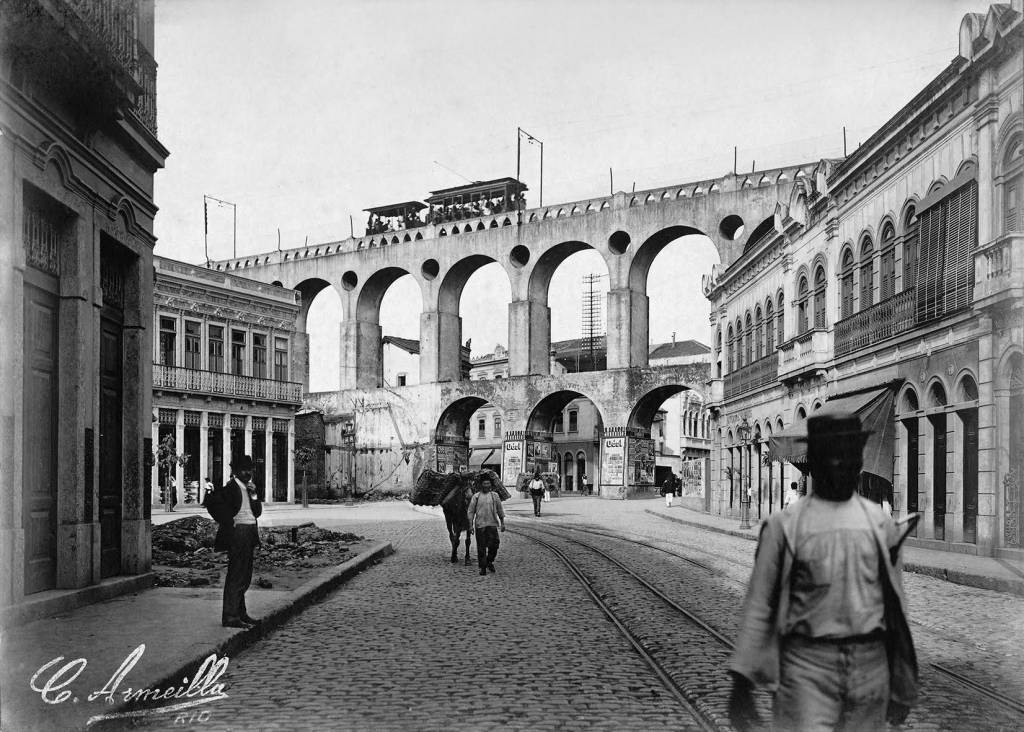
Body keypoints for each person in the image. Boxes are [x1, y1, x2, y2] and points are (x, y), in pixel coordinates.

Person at [727, 412, 918, 732]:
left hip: (869, 669)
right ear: (813, 461)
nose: (841, 465)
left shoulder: (880, 525)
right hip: (805, 669)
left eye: (849, 456)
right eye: (832, 456)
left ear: (859, 461)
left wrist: (901, 683)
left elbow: (895, 606)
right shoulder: (784, 527)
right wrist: (742, 681)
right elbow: (760, 604)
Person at [205, 455, 263, 629]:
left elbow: (257, 512)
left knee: (245, 576)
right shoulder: (230, 488)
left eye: (250, 470)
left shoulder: (249, 488)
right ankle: (230, 616)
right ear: (236, 471)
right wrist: (229, 522)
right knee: (236, 575)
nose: (248, 473)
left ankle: (240, 613)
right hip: (238, 534)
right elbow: (214, 505)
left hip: (249, 534)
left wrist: (254, 495)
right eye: (244, 470)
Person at [467, 477, 505, 576]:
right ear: (481, 485)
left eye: (488, 483)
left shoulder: (495, 496)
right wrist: (470, 525)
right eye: (484, 483)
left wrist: (502, 523)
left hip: (492, 525)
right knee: (481, 548)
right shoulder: (476, 496)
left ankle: (489, 561)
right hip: (480, 525)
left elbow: (500, 509)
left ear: (490, 485)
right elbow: (471, 512)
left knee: (495, 545)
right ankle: (482, 567)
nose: (486, 485)